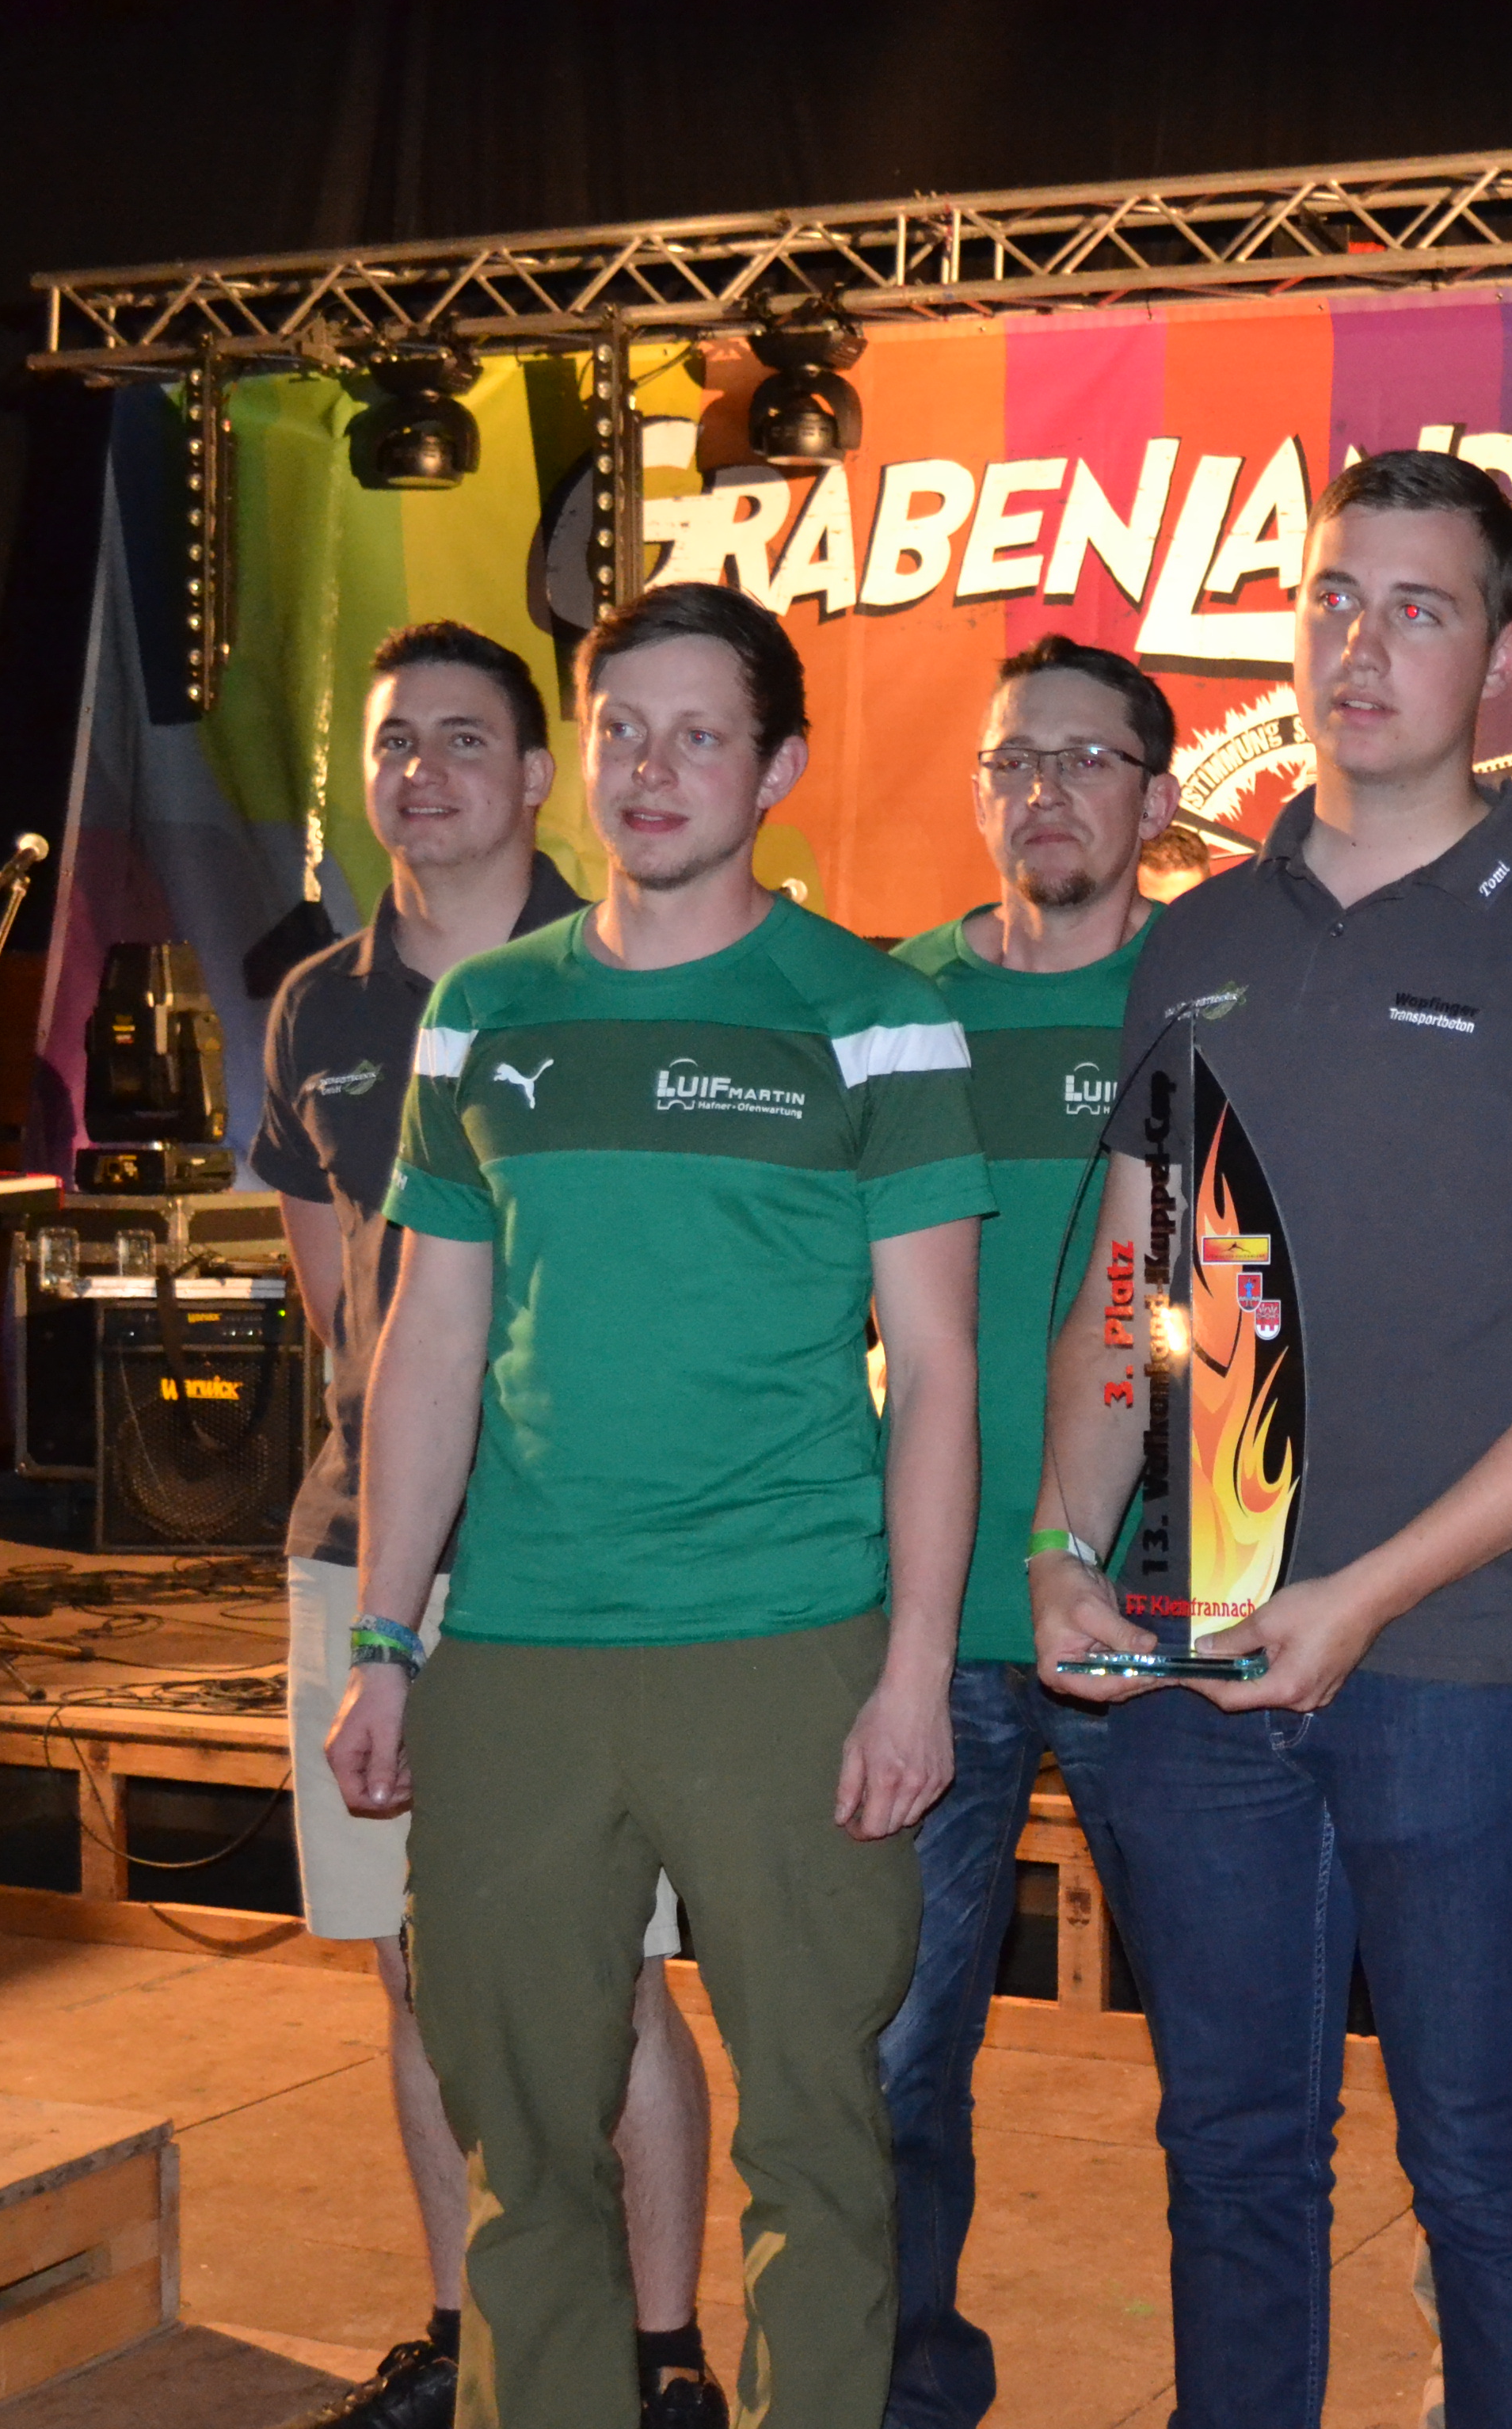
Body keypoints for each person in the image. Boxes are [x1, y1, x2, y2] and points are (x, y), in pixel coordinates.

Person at [1030, 451, 1512, 2429]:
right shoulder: (1197, 942)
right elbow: (1133, 1276)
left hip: (1471, 1670)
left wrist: (1366, 1592)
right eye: (1335, 597)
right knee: (1233, 2159)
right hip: (1194, 1652)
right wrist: (1062, 1542)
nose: (1361, 643)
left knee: (1488, 2174)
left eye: (1418, 608)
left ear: (1502, 659)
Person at [327, 581, 992, 2429]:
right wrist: (387, 1637)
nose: (651, 767)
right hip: (519, 1654)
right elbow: (431, 1343)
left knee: (817, 2140)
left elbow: (939, 1369)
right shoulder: (486, 1013)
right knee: (519, 2136)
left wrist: (914, 1675)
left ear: (777, 770)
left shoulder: (873, 1017)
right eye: (622, 728)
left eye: (702, 735)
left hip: (788, 1650)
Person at [253, 622, 718, 2429]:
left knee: (619, 1975)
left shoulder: (627, 976)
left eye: (465, 740)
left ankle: (663, 2356)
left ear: (541, 778)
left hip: (578, 1563)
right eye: (395, 743)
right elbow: (339, 1306)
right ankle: (466, 2347)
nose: (423, 771)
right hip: (365, 1552)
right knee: (413, 1973)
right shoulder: (319, 1011)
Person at [878, 634, 1179, 2427]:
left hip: (1164, 1625)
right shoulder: (893, 1007)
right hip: (930, 1629)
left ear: (1158, 795)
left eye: (1084, 759)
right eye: (1013, 761)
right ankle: (909, 2394)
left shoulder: (1209, 998)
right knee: (897, 2063)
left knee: (1227, 2078)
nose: (1044, 792)